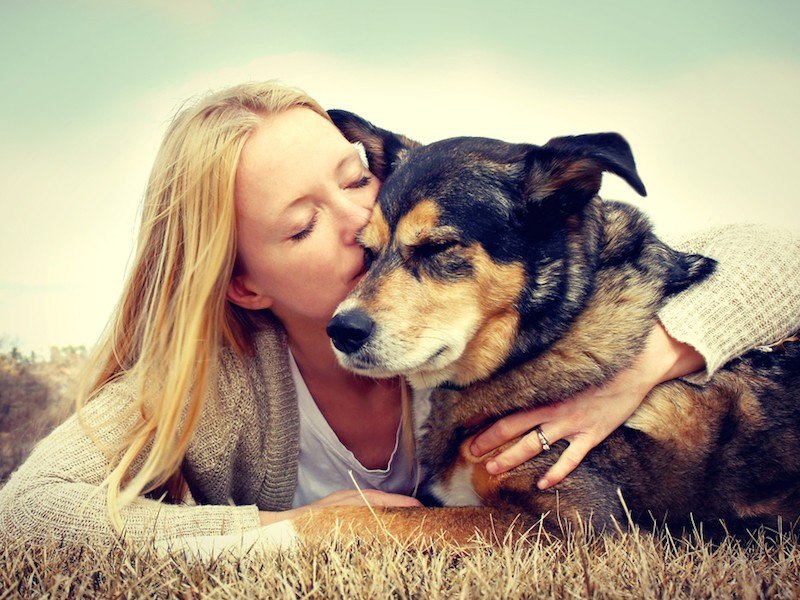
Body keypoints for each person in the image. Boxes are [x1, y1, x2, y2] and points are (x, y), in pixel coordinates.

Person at [0, 81, 798, 550]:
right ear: (245, 285)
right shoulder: (222, 389)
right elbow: (28, 515)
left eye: (356, 178)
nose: (361, 224)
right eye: (301, 225)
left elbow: (776, 257)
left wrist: (651, 363)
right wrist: (294, 531)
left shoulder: (482, 331)